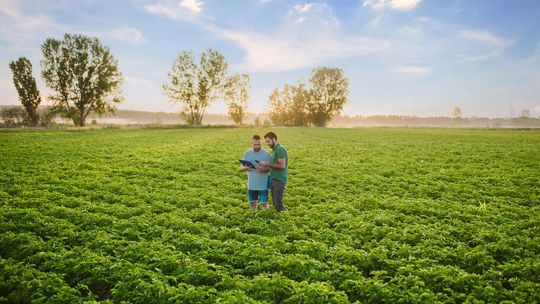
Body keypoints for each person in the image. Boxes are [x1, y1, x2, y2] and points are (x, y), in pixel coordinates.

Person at [259, 132, 288, 212]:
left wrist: (266, 164)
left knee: (278, 203)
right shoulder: (274, 150)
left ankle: (283, 218)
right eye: (266, 142)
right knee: (275, 202)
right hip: (273, 178)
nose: (267, 144)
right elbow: (274, 165)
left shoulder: (280, 149)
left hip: (279, 179)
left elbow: (282, 166)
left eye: (268, 141)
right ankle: (281, 214)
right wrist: (264, 170)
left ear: (274, 139)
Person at [241, 135, 272, 211]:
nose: (257, 146)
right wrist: (245, 168)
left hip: (263, 184)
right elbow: (241, 167)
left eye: (259, 144)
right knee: (252, 203)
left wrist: (263, 170)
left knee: (264, 204)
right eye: (255, 144)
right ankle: (253, 217)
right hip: (251, 184)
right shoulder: (247, 153)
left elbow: (272, 168)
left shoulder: (267, 154)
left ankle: (266, 219)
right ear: (252, 143)